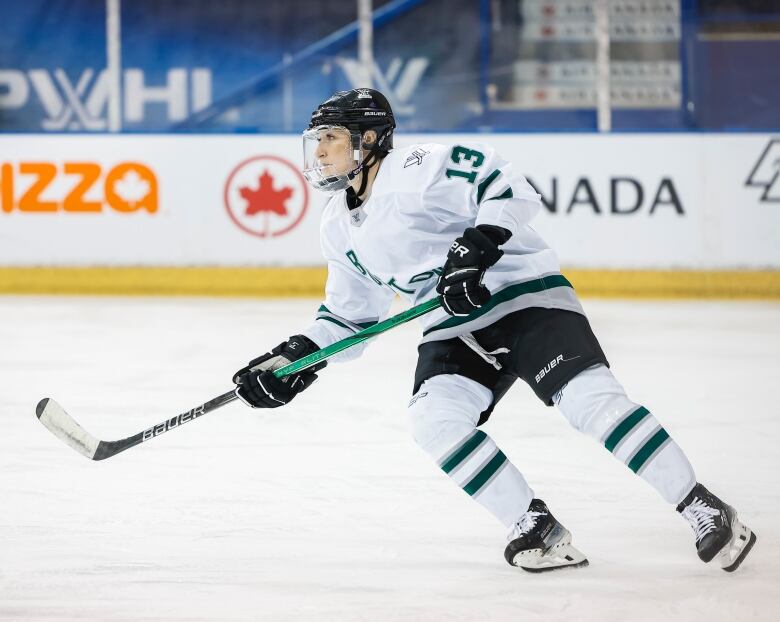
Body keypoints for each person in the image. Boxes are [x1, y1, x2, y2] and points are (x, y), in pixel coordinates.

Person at [233, 88, 756, 573]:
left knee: (588, 402)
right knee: (433, 421)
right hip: (451, 326)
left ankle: (701, 505)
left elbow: (508, 187)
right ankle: (534, 524)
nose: (319, 151)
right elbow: (349, 317)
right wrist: (295, 359)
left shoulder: (416, 168)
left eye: (331, 138)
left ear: (368, 140)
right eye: (316, 140)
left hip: (520, 294)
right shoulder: (335, 225)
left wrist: (476, 249)